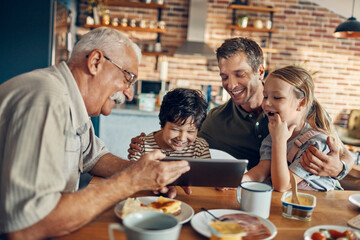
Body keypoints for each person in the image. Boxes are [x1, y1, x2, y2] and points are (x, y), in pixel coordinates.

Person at [0, 27, 190, 239]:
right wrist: (131, 180)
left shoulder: (72, 101)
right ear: (95, 62)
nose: (128, 94)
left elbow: (95, 157)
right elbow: (27, 226)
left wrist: (149, 174)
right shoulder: (47, 98)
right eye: (128, 78)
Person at [129, 37, 354, 196]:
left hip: (322, 199)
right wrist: (148, 142)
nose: (231, 84)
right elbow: (183, 141)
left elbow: (345, 155)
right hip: (265, 198)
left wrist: (339, 168)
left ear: (260, 72)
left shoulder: (298, 110)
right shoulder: (215, 120)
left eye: (239, 74)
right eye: (224, 76)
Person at [241, 66, 343, 191]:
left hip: (316, 206)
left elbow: (283, 185)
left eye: (277, 97)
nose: (267, 103)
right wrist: (236, 181)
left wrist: (279, 141)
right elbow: (262, 170)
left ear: (301, 103)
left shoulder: (316, 143)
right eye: (266, 96)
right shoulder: (272, 136)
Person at [129, 88, 210, 161]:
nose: (182, 138)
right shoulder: (142, 146)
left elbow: (207, 176)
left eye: (190, 131)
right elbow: (133, 175)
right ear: (162, 125)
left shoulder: (200, 148)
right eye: (175, 129)